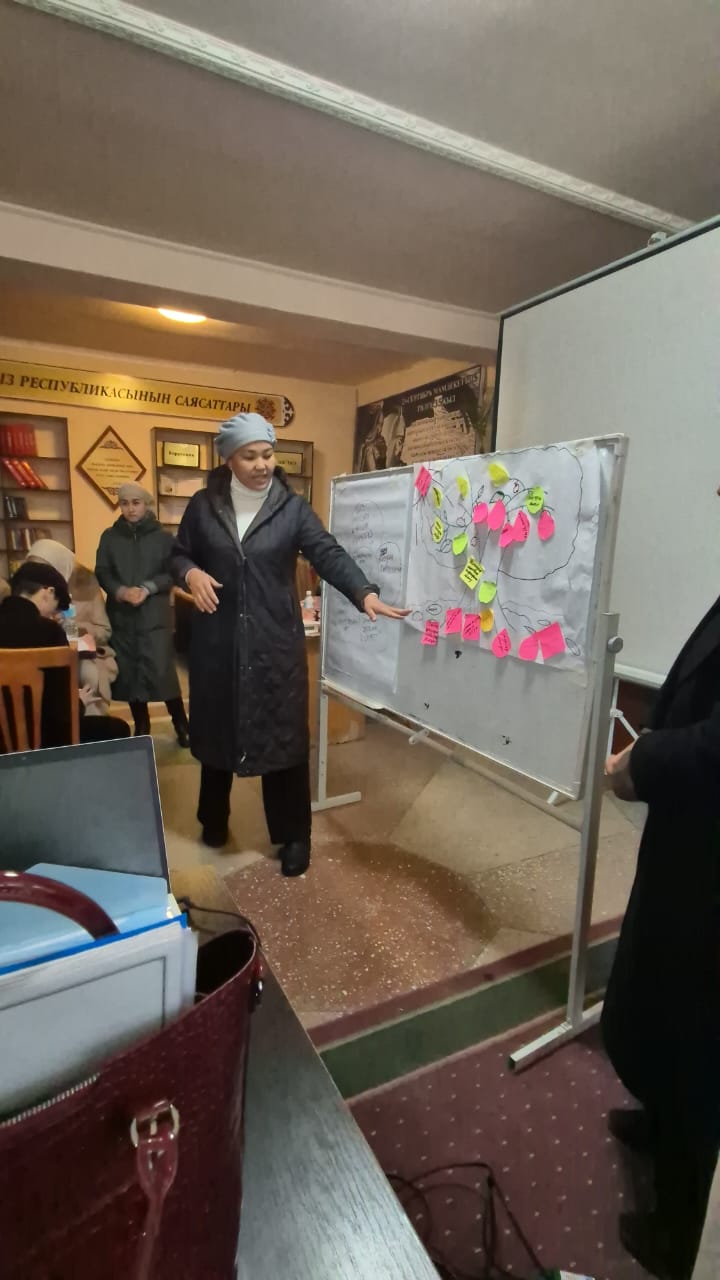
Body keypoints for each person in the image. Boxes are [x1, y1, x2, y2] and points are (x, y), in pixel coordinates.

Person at [171, 412, 408, 876]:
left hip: (273, 645)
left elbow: (327, 552)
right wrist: (191, 572)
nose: (262, 464)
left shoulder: (291, 508)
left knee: (283, 740)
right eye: (250, 456)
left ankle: (294, 836)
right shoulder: (202, 506)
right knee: (218, 731)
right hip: (218, 643)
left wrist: (363, 592)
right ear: (229, 459)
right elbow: (178, 554)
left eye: (267, 454)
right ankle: (213, 818)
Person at [603, 482, 720, 1280]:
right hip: (688, 841)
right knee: (658, 984)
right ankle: (662, 1116)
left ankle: (682, 1227)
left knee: (699, 1023)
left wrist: (641, 762)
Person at [95, 483, 189, 745]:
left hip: (154, 617)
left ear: (146, 504)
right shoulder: (109, 537)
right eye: (124, 503)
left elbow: (173, 572)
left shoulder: (164, 538)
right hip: (123, 617)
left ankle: (181, 724)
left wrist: (148, 588)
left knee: (163, 673)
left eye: (136, 503)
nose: (130, 509)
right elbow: (102, 571)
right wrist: (120, 591)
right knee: (131, 676)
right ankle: (142, 724)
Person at [0, 562, 130, 748]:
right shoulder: (50, 632)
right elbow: (61, 715)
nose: (53, 615)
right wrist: (79, 702)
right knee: (119, 729)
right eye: (55, 608)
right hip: (46, 741)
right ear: (48, 592)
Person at [26, 538, 118, 714]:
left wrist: (73, 628)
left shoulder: (85, 584)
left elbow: (104, 631)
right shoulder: (28, 589)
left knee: (90, 676)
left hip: (82, 652)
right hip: (40, 653)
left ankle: (90, 723)